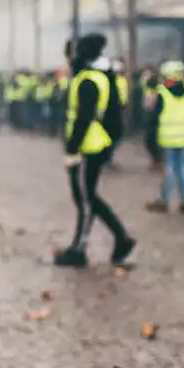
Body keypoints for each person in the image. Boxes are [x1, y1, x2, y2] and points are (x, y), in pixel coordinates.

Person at [54, 33, 137, 269]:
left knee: (86, 199)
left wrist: (72, 148)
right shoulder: (97, 76)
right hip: (93, 144)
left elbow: (83, 117)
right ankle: (120, 239)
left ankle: (82, 249)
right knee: (87, 197)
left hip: (87, 146)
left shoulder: (88, 79)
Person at [146, 60, 184, 214]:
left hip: (168, 137)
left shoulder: (163, 93)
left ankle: (164, 200)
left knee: (169, 169)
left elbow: (154, 115)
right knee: (183, 168)